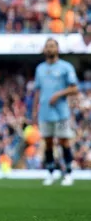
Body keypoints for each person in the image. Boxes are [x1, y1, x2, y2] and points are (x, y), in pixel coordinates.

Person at [33, 38, 79, 186]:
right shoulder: (40, 68)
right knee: (48, 143)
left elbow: (74, 88)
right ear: (45, 50)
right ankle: (50, 173)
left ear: (57, 49)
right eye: (47, 46)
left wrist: (58, 94)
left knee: (64, 141)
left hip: (61, 112)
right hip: (45, 113)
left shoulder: (66, 67)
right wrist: (34, 112)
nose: (50, 49)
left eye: (52, 46)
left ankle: (68, 173)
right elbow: (37, 92)